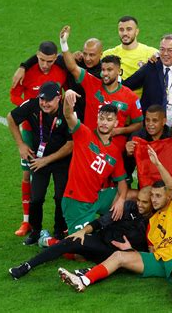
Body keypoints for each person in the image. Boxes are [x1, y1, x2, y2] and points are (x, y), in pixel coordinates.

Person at [58, 146, 172, 306]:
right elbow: (151, 251)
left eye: (158, 196)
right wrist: (130, 251)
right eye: (152, 196)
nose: (154, 200)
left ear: (168, 197)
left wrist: (158, 164)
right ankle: (83, 280)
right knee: (119, 256)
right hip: (159, 260)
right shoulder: (152, 223)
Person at [8, 186, 154, 279]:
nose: (139, 204)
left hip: (118, 254)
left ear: (152, 204)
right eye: (139, 200)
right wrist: (83, 231)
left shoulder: (153, 223)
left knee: (121, 263)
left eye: (144, 202)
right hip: (100, 242)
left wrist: (129, 250)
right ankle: (27, 265)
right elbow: (101, 222)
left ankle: (85, 272)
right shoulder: (128, 206)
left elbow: (146, 257)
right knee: (72, 241)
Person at [10, 41, 67, 237]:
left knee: (58, 185)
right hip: (30, 131)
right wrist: (31, 108)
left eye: (49, 61)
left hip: (55, 130)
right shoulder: (27, 72)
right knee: (27, 175)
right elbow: (14, 96)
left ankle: (60, 226)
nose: (45, 64)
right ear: (37, 56)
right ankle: (27, 222)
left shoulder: (61, 70)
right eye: (42, 60)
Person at [7, 82, 72, 244]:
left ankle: (59, 231)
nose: (44, 103)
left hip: (61, 160)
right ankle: (35, 231)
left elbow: (71, 145)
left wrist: (46, 160)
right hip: (38, 159)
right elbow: (11, 118)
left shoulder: (68, 112)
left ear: (59, 98)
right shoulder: (33, 105)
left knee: (60, 197)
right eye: (42, 99)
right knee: (36, 198)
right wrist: (21, 145)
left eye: (49, 100)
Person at [60, 25, 143, 152]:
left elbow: (139, 123)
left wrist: (120, 130)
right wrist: (64, 43)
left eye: (110, 70)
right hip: (88, 146)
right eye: (103, 70)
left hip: (114, 151)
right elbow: (72, 68)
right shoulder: (91, 83)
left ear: (119, 72)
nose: (105, 73)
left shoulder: (130, 96)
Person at [62, 90, 128, 235]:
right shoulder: (84, 134)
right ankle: (50, 241)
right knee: (80, 253)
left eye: (109, 120)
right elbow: (68, 115)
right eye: (102, 118)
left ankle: (119, 229)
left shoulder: (115, 151)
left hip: (97, 198)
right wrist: (67, 97)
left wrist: (121, 200)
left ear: (116, 123)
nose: (104, 123)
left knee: (135, 197)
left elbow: (122, 181)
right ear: (97, 119)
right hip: (77, 201)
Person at [12, 38, 104, 122]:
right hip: (65, 115)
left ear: (101, 54)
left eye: (92, 55)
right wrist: (23, 66)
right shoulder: (72, 61)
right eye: (85, 53)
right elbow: (46, 56)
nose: (87, 58)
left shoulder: (104, 73)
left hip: (90, 115)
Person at [103, 15, 157, 96]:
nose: (124, 33)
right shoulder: (108, 55)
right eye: (121, 30)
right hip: (114, 102)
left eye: (129, 29)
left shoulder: (151, 53)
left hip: (141, 104)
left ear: (137, 31)